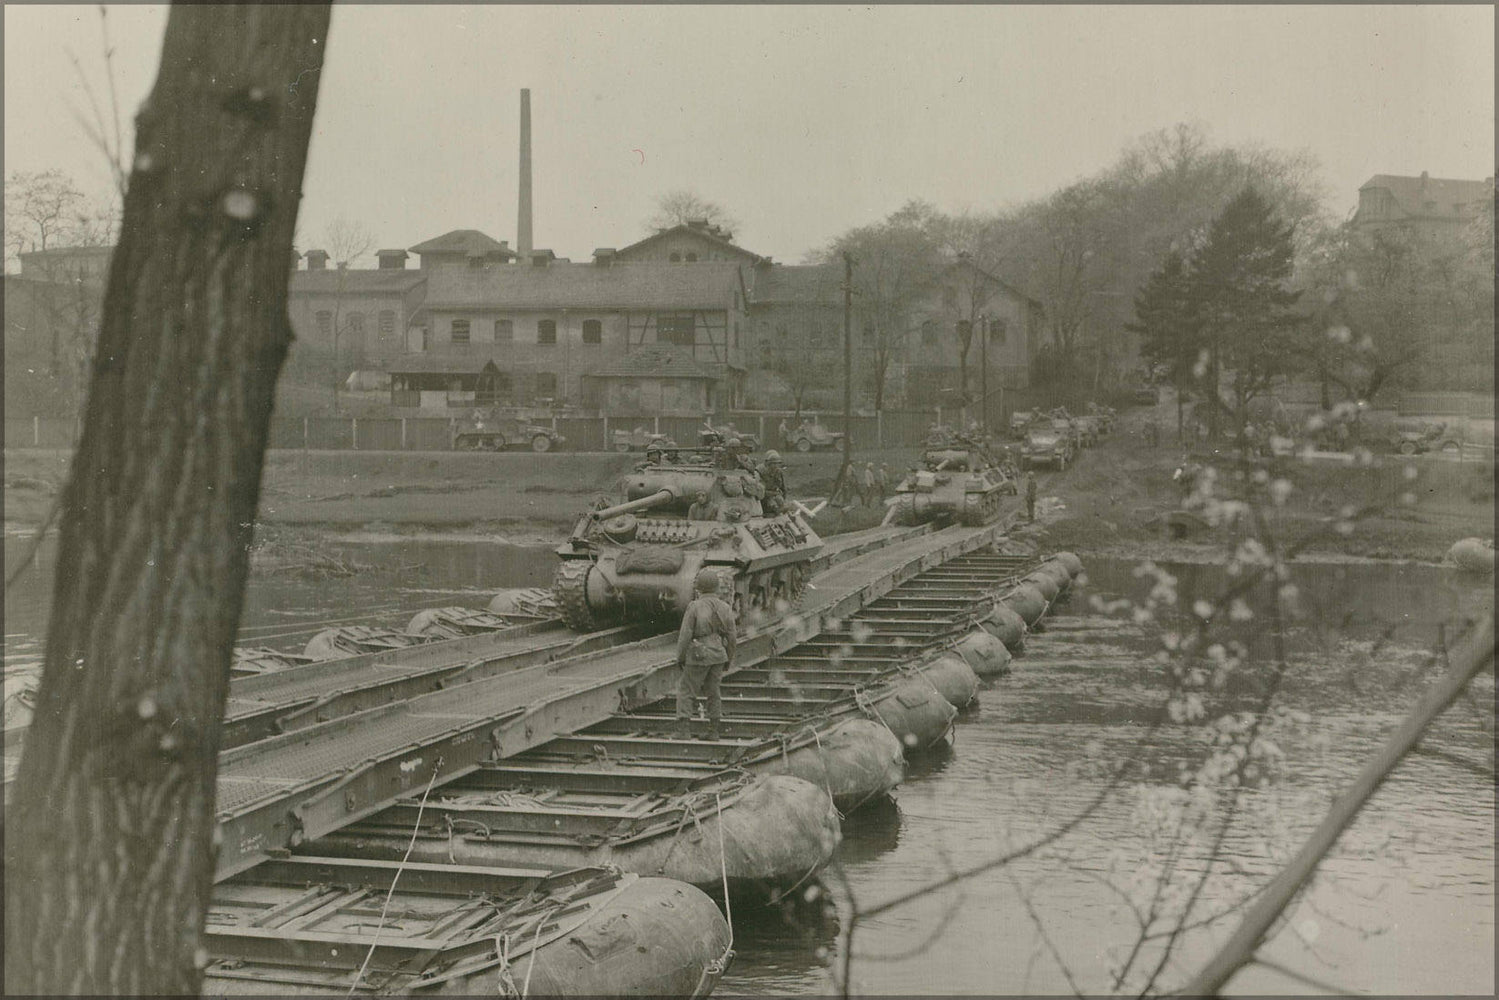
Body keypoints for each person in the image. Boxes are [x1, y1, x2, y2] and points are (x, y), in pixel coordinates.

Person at [676, 569, 736, 739]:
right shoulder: (725, 607)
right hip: (718, 654)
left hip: (698, 655)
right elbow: (732, 638)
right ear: (717, 587)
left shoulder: (694, 606)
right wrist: (728, 659)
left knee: (686, 690)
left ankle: (684, 731)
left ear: (699, 588)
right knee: (714, 692)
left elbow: (685, 635)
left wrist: (680, 657)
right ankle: (714, 731)